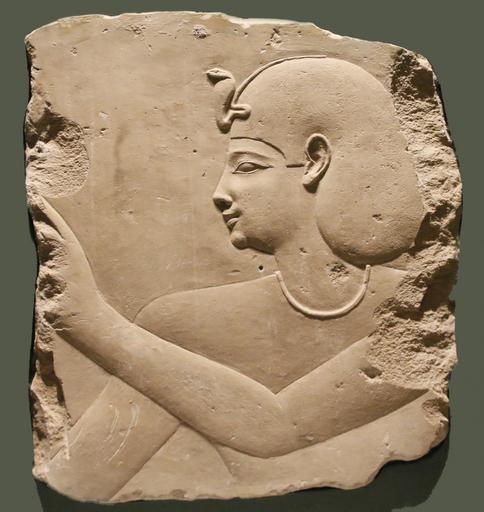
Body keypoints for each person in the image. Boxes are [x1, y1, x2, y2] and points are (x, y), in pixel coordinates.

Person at [38, 56, 427, 501]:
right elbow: (77, 482)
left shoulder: (420, 314)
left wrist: (87, 320)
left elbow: (279, 428)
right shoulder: (186, 327)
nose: (220, 193)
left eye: (247, 166)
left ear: (316, 162)